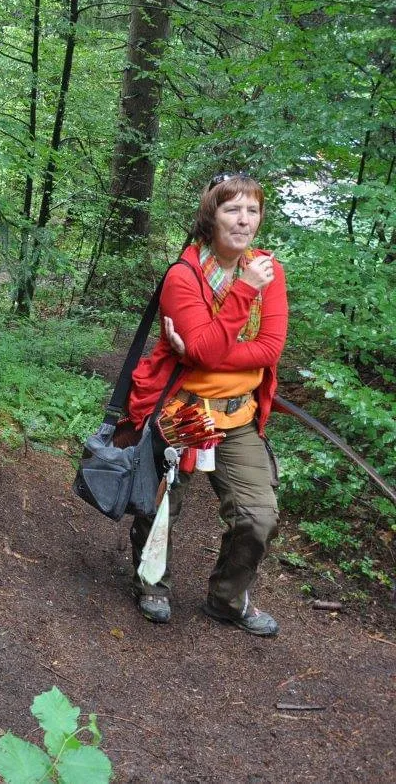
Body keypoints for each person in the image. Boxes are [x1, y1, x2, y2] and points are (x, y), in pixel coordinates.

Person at [125, 172, 287, 637]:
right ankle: (152, 582)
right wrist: (243, 293)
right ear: (211, 217)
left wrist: (206, 352)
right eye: (232, 209)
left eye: (252, 210)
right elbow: (202, 351)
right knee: (162, 505)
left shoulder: (269, 271)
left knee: (258, 516)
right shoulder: (184, 276)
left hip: (238, 415)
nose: (243, 220)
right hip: (184, 408)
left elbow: (269, 349)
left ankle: (227, 599)